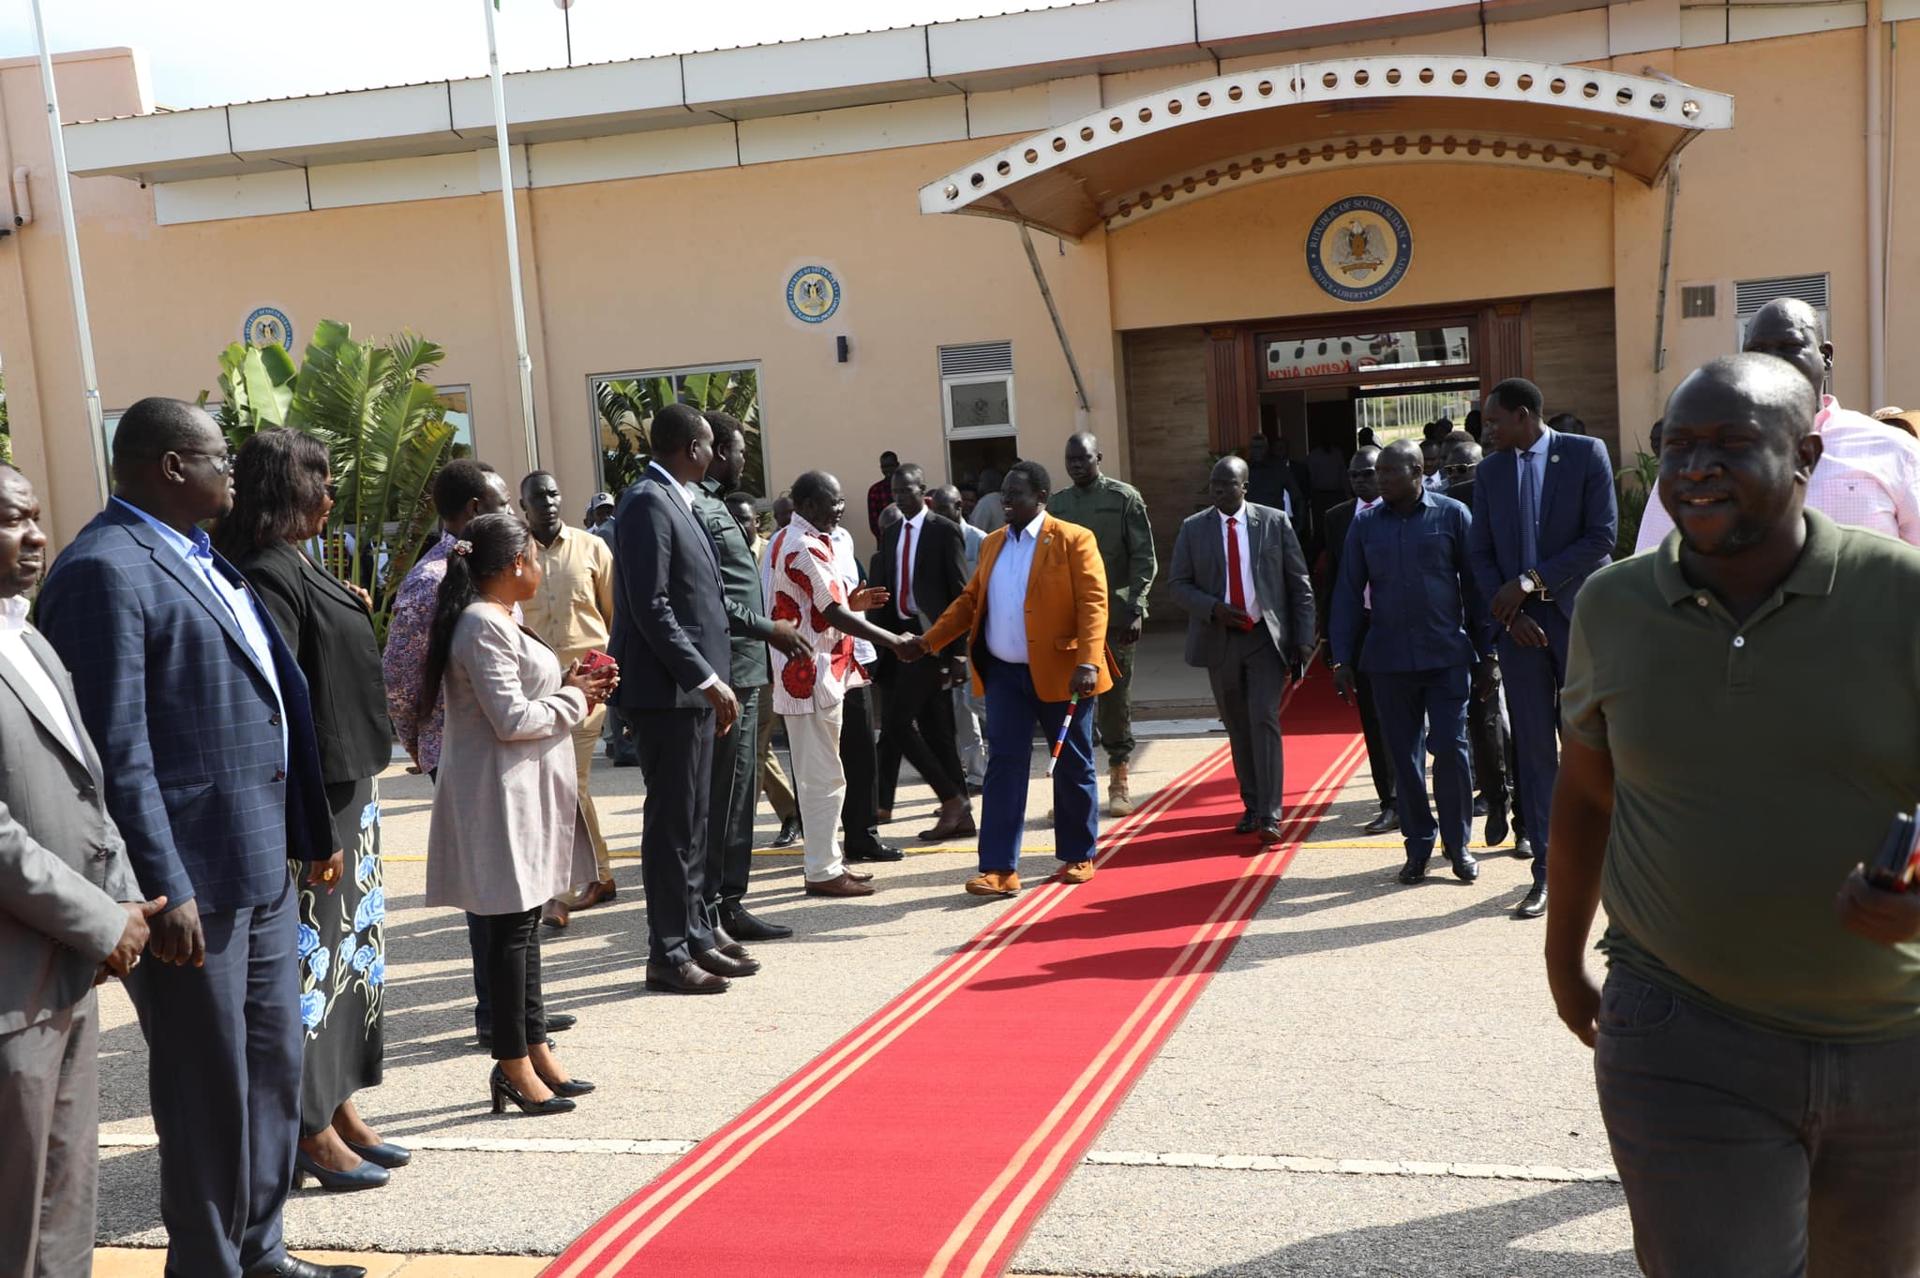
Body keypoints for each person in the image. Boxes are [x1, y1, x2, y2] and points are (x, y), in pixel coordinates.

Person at [1547, 353, 1920, 1276]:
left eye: (1730, 444)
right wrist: (1563, 964)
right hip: (1682, 1034)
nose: (1695, 469)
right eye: (1678, 447)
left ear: (1806, 458)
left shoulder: (1902, 594)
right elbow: (1587, 793)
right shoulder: (1613, 606)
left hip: (1893, 1042)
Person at [36, 398, 355, 1278]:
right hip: (191, 884)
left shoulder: (203, 558)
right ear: (173, 466)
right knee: (206, 1085)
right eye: (221, 458)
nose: (235, 473)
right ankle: (209, 1264)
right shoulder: (103, 570)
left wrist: (305, 830)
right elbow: (113, 752)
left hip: (259, 867)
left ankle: (261, 1249)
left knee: (270, 1070)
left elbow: (270, 703)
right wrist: (163, 886)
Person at [217, 430, 404, 1193]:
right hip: (316, 803)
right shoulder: (265, 572)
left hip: (349, 790)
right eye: (317, 480)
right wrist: (311, 824)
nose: (330, 493)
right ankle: (306, 1126)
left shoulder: (298, 561)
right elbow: (282, 710)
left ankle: (336, 1102)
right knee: (310, 968)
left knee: (347, 963)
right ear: (283, 489)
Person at [0, 464, 158, 1278]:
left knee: (67, 1199)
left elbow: (87, 788)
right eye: (10, 520)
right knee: (14, 1215)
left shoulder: (29, 638)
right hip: (12, 987)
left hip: (68, 968)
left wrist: (122, 904)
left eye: (35, 515)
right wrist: (101, 921)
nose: (35, 535)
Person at [419, 514, 614, 1117]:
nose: (540, 567)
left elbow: (524, 696)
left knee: (524, 928)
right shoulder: (481, 622)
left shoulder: (503, 615)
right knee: (509, 933)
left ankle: (534, 1047)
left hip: (521, 790)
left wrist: (571, 682)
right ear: (515, 566)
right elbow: (512, 718)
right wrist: (576, 697)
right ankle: (511, 1063)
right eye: (533, 557)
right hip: (497, 795)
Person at [382, 460, 546, 1047]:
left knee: (520, 895)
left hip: (509, 746)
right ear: (475, 509)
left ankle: (523, 1015)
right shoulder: (431, 580)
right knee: (493, 898)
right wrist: (422, 746)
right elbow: (401, 679)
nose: (514, 511)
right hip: (468, 753)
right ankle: (498, 1018)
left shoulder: (489, 570)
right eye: (503, 501)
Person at [911, 462, 1113, 896]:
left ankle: (1078, 852)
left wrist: (1089, 662)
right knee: (1004, 766)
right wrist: (928, 642)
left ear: (1041, 497)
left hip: (1064, 673)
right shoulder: (993, 543)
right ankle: (999, 868)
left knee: (1073, 762)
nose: (1005, 500)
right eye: (1004, 492)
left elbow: (1094, 603)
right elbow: (969, 603)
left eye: (1015, 493)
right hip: (1004, 675)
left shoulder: (1074, 539)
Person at [1468, 378, 1615, 917]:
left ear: (1524, 415)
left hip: (1576, 620)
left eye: (1494, 421)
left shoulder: (1585, 454)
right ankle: (1548, 872)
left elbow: (1601, 536)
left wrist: (1529, 582)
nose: (1487, 431)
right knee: (1533, 751)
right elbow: (1480, 553)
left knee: (1586, 744)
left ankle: (1604, 861)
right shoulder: (1491, 472)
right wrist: (1511, 614)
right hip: (1520, 630)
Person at [613, 404, 746, 994]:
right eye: (710, 444)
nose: (715, 454)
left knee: (694, 822)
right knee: (672, 826)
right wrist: (706, 678)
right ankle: (665, 953)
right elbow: (653, 606)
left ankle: (693, 934)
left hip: (690, 692)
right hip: (668, 692)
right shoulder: (647, 501)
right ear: (692, 448)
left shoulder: (677, 497)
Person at [1636, 298, 1920, 551]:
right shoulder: (1698, 463)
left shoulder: (1894, 450)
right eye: (1757, 349)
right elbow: (1652, 568)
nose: (1772, 361)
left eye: (1789, 347)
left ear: (1826, 356)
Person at [1330, 441, 1487, 888]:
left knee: (1451, 749)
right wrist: (1342, 656)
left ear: (1418, 472)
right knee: (1405, 757)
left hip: (1446, 656)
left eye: (1389, 473)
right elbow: (1347, 591)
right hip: (1389, 660)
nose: (1379, 480)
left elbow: (1476, 587)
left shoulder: (1453, 515)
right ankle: (1418, 844)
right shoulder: (1365, 525)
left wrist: (1488, 652)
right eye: (1377, 473)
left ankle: (1458, 845)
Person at [766, 472, 912, 897]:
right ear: (809, 506)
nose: (841, 509)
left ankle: (828, 862)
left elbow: (820, 606)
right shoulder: (804, 545)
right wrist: (894, 641)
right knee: (822, 779)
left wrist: (853, 604)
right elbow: (832, 613)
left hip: (819, 675)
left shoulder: (798, 539)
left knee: (826, 776)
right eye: (834, 502)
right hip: (810, 679)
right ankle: (822, 871)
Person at [696, 414, 812, 942]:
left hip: (747, 668)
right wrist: (769, 629)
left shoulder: (716, 505)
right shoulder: (700, 509)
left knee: (740, 793)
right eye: (741, 450)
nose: (746, 460)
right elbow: (708, 597)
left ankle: (730, 903)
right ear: (718, 451)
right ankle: (716, 908)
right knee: (726, 796)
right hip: (729, 668)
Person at [1168, 456, 1315, 842]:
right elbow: (1178, 585)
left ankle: (1270, 813)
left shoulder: (1273, 522)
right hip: (1220, 639)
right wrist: (1213, 608)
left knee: (1263, 717)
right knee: (1237, 725)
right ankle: (1251, 803)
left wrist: (1304, 638)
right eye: (1214, 484)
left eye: (1227, 484)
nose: (1218, 490)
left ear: (1244, 487)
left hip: (1264, 637)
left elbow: (1299, 582)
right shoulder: (1193, 528)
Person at [513, 470, 621, 926]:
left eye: (554, 494)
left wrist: (614, 678)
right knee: (558, 786)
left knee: (568, 783)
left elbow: (614, 617)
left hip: (590, 689)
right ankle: (600, 874)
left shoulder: (592, 548)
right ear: (524, 506)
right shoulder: (517, 557)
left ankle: (560, 892)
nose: (549, 503)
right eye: (538, 498)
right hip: (538, 691)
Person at [1050, 432, 1159, 817]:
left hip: (1115, 618)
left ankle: (1119, 779)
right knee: (1070, 702)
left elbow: (1143, 556)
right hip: (1070, 622)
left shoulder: (1124, 498)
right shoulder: (1058, 505)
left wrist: (1136, 606)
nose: (1076, 465)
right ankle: (1074, 790)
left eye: (1083, 458)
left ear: (1098, 457)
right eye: (1070, 459)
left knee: (1115, 701)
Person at [869, 462, 975, 839]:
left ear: (923, 491)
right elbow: (886, 588)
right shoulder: (891, 533)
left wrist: (959, 651)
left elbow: (961, 594)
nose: (900, 497)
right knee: (936, 729)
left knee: (897, 724)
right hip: (898, 640)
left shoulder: (943, 530)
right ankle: (962, 814)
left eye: (906, 490)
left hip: (932, 639)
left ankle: (950, 799)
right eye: (895, 492)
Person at [1439, 437, 1527, 857]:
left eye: (1463, 470)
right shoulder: (1450, 508)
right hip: (1475, 631)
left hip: (1522, 624)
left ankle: (1526, 823)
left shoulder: (1515, 499)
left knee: (1525, 728)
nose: (1455, 477)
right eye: (1449, 470)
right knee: (1485, 724)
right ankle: (1496, 796)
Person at [1319, 446, 1396, 834]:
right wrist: (1333, 644)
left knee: (1411, 717)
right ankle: (1391, 801)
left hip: (1404, 625)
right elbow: (1333, 583)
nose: (1361, 481)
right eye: (1354, 476)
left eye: (1368, 473)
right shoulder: (1337, 518)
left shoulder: (1403, 509)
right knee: (1375, 719)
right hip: (1364, 628)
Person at [930, 483, 988, 789]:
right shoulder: (932, 540)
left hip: (979, 636)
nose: (939, 515)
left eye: (944, 509)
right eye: (935, 510)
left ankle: (1006, 754)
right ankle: (976, 772)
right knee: (959, 707)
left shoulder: (980, 541)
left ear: (959, 507)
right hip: (949, 636)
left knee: (979, 703)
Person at [867, 450, 899, 538]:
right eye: (884, 467)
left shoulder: (905, 488)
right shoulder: (875, 490)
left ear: (897, 465)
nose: (887, 470)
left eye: (890, 466)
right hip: (884, 539)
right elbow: (874, 523)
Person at [969, 465, 1007, 532]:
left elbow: (975, 531)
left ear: (988, 482)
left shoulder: (986, 501)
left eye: (980, 481)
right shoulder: (1006, 500)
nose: (978, 485)